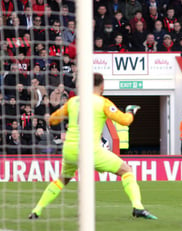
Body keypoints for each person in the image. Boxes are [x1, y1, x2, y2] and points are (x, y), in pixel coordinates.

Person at [29, 73, 157, 220]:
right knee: (126, 170)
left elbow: (52, 120)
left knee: (62, 179)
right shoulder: (103, 103)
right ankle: (138, 207)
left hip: (70, 149)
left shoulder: (73, 101)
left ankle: (36, 210)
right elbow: (125, 121)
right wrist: (130, 111)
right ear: (102, 86)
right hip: (89, 150)